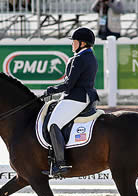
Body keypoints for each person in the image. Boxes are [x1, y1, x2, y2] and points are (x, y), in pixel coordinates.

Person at [43, 27, 99, 177]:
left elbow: (68, 85)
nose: (72, 44)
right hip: (84, 96)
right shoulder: (89, 55)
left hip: (77, 97)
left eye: (74, 41)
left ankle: (60, 164)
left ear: (81, 43)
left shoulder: (80, 58)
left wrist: (51, 90)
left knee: (53, 124)